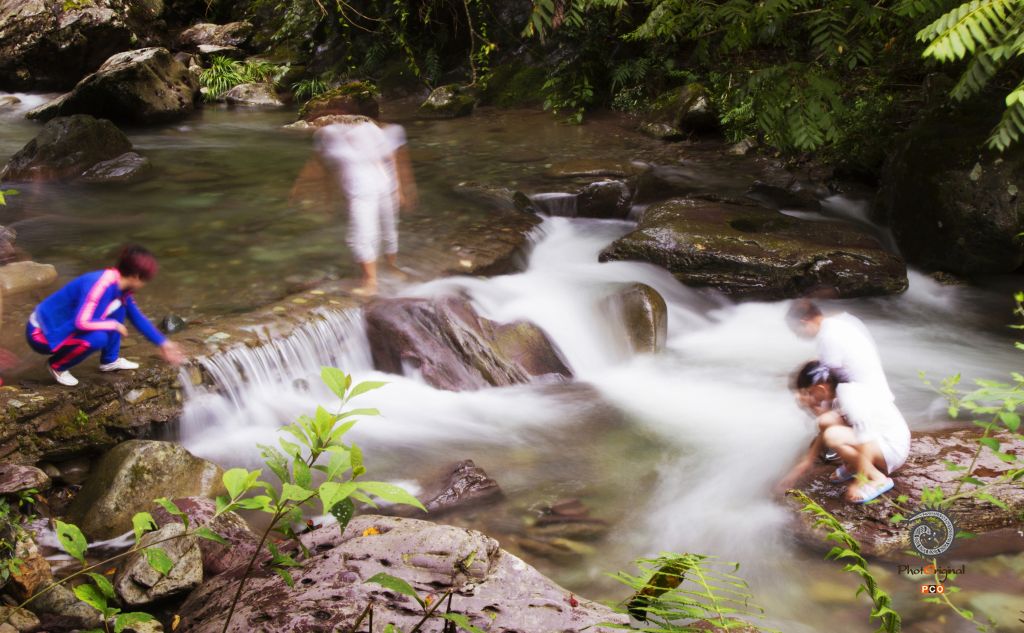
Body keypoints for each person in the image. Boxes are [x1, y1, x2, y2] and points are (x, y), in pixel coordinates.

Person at [25, 245, 185, 386]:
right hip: (41, 334)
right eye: (145, 280)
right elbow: (81, 322)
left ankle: (110, 360)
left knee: (120, 308)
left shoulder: (120, 288)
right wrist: (113, 325)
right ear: (136, 276)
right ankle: (57, 366)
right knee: (99, 337)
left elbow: (137, 317)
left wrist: (164, 343)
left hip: (64, 327)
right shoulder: (99, 285)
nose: (145, 284)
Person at [778, 361, 910, 503]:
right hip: (879, 441)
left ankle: (878, 478)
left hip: (893, 449)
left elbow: (866, 439)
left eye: (809, 392)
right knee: (825, 421)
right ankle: (853, 465)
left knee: (833, 435)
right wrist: (807, 461)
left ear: (821, 388)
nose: (809, 397)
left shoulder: (850, 397)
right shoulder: (838, 392)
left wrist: (859, 482)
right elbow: (826, 424)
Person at [312, 120, 417, 296]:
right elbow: (324, 168)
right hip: (371, 187)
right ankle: (380, 274)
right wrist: (329, 196)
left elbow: (389, 156)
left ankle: (375, 278)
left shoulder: (357, 129)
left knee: (369, 234)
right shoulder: (331, 133)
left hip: (371, 188)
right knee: (372, 232)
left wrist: (398, 188)